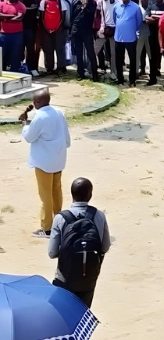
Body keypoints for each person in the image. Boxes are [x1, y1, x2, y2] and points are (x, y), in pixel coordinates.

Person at [47, 177, 111, 307]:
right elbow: (105, 247)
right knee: (82, 315)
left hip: (65, 277)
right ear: (90, 195)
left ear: (71, 194)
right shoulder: (99, 215)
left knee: (62, 314)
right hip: (89, 278)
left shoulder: (60, 218)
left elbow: (52, 253)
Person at [20, 90, 70, 237]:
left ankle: (46, 228)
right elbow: (66, 136)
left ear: (37, 103)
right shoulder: (59, 112)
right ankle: (59, 223)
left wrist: (24, 124)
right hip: (59, 158)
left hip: (44, 162)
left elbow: (29, 137)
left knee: (45, 195)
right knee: (56, 191)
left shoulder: (39, 117)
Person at [113, 0, 144, 87]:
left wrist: (131, 29)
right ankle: (120, 79)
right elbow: (115, 19)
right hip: (118, 38)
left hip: (131, 38)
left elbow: (139, 22)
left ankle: (132, 80)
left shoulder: (135, 7)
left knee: (132, 60)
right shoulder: (116, 6)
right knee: (119, 60)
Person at [70, 0, 98, 81]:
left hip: (87, 31)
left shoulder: (92, 2)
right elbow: (72, 17)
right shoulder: (75, 2)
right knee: (79, 53)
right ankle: (80, 73)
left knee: (91, 53)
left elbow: (92, 13)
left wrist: (85, 6)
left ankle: (95, 74)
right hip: (77, 31)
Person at [39, 0, 68, 75]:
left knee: (60, 50)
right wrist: (47, 29)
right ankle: (49, 69)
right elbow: (42, 17)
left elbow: (62, 18)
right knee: (48, 50)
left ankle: (60, 67)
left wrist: (56, 28)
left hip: (58, 30)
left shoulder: (61, 2)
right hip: (46, 31)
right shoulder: (43, 2)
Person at [144, 0, 164, 84]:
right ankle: (152, 78)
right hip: (152, 35)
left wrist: (155, 19)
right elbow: (146, 18)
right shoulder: (151, 6)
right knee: (152, 57)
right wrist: (159, 20)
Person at [0, 0, 26, 72]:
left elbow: (19, 18)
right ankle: (2, 72)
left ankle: (15, 72)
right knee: (2, 55)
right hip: (3, 34)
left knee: (15, 55)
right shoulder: (2, 4)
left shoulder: (21, 5)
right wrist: (12, 16)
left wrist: (5, 18)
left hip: (17, 34)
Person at [96, 0, 118, 81]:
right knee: (94, 50)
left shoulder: (118, 2)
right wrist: (99, 28)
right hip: (103, 29)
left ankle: (113, 73)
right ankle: (90, 70)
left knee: (113, 54)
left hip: (114, 30)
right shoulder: (100, 1)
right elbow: (97, 16)